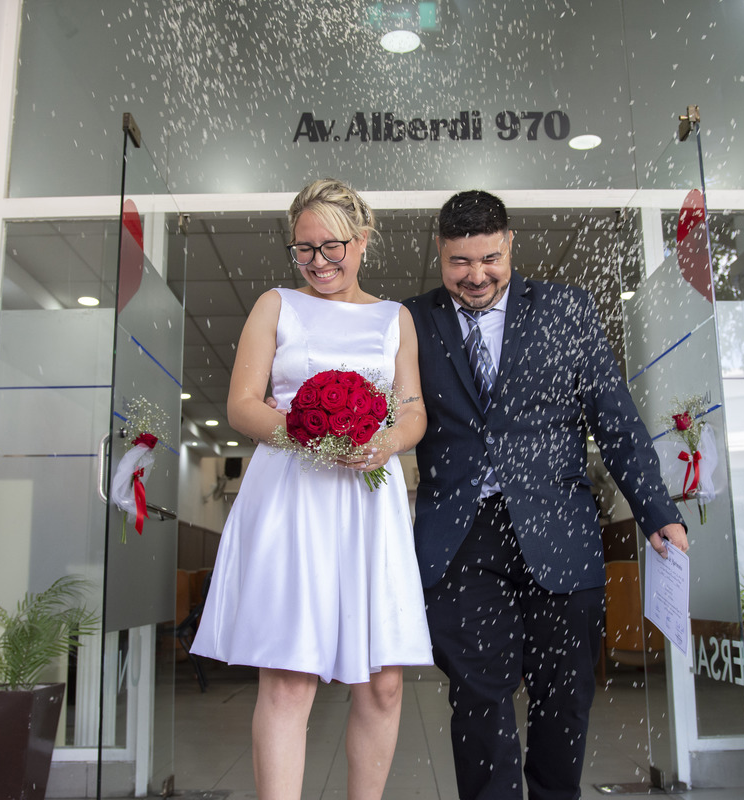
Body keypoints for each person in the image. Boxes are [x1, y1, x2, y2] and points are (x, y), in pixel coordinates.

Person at [403, 190, 689, 800]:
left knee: (565, 695)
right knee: (478, 697)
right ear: (440, 253)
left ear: (511, 244)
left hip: (559, 531)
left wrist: (656, 512)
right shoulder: (410, 321)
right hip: (459, 538)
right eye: (459, 263)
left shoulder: (567, 309)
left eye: (489, 259)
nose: (476, 276)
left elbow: (616, 419)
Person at [191, 178, 432, 800]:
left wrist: (384, 442)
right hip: (293, 495)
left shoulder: (394, 318)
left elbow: (412, 411)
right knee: (290, 678)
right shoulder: (276, 305)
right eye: (305, 250)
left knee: (383, 682)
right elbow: (243, 406)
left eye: (334, 247)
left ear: (364, 240)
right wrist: (312, 433)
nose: (320, 262)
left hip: (366, 497)